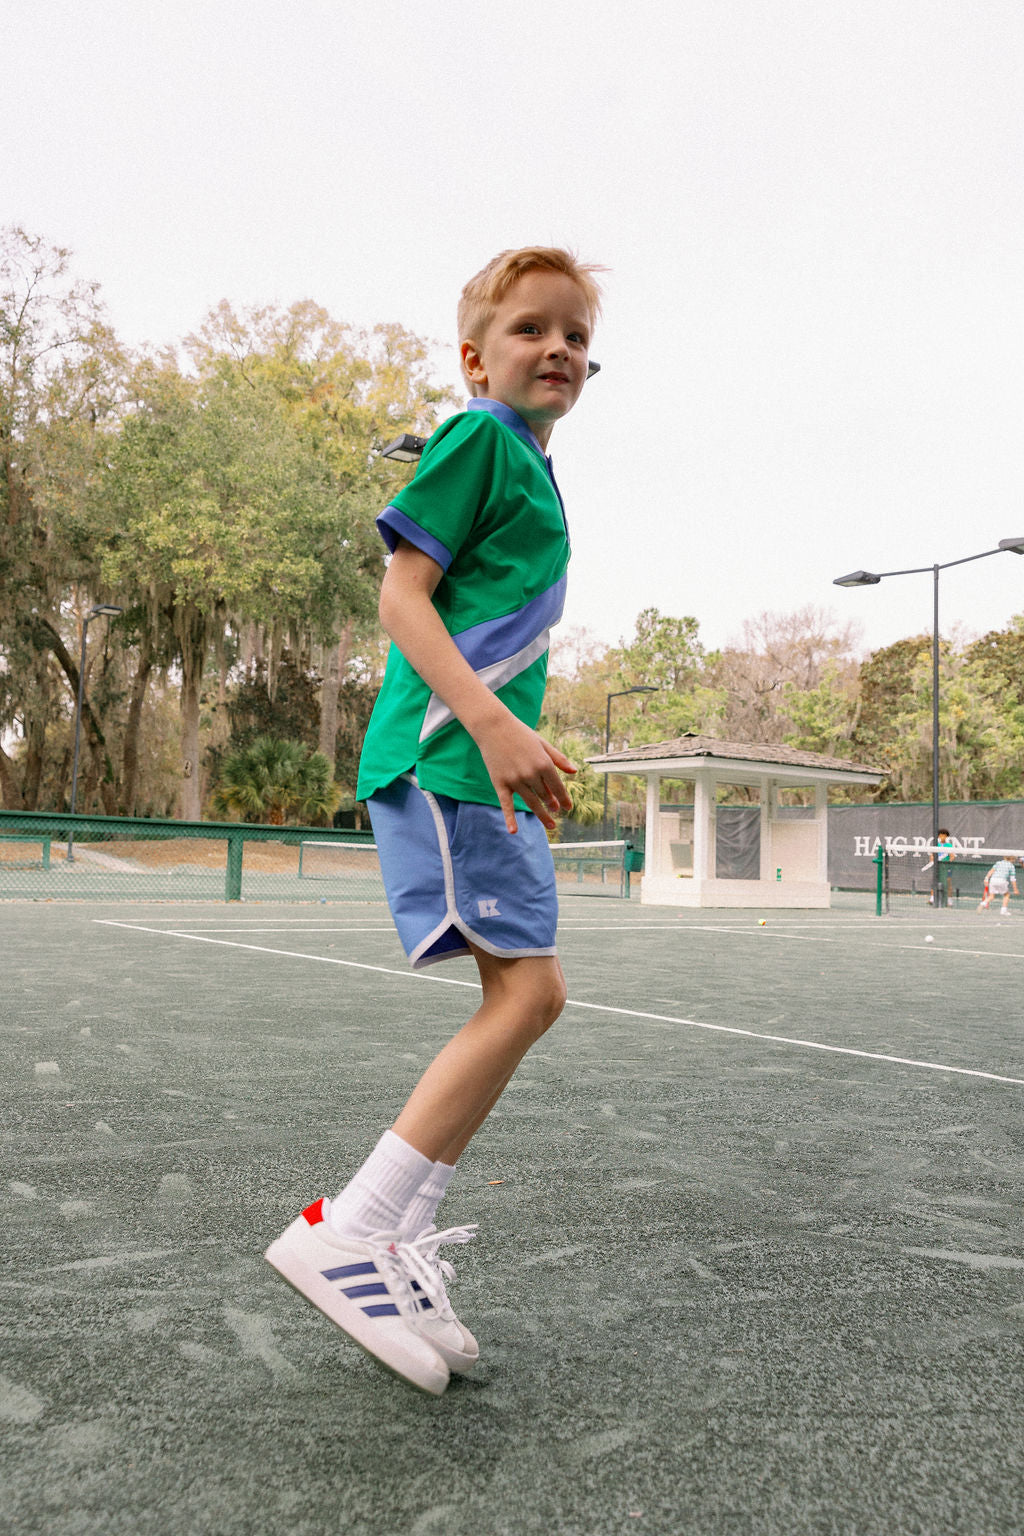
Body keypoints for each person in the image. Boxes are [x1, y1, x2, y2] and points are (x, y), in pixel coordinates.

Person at [265, 247, 605, 1394]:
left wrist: (519, 747)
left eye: (573, 335)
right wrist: (495, 732)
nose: (555, 348)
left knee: (532, 994)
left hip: (485, 766)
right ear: (476, 357)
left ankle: (390, 1240)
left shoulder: (533, 469)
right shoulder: (476, 440)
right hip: (450, 755)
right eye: (528, 330)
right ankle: (349, 1231)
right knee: (526, 993)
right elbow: (399, 597)